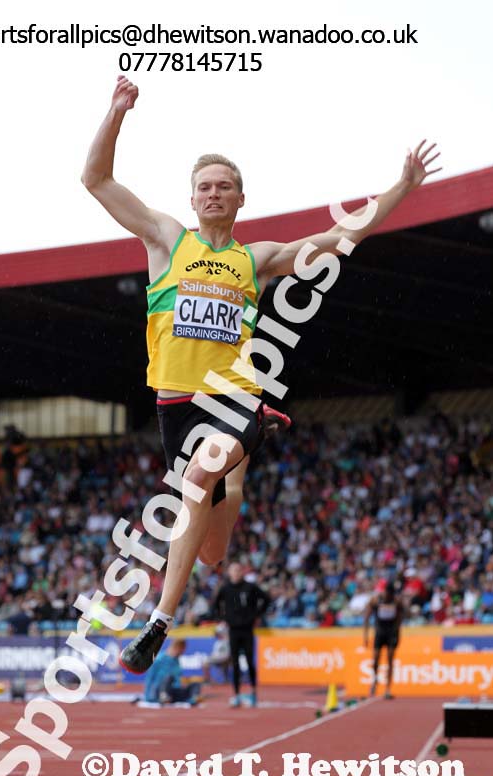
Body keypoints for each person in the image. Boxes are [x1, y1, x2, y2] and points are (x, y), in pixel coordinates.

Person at [82, 76, 441, 675]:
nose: (213, 194)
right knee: (216, 553)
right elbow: (96, 180)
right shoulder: (167, 240)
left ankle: (158, 624)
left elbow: (341, 236)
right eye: (204, 187)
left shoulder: (259, 259)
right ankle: (244, 463)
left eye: (224, 186)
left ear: (240, 199)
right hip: (176, 408)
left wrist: (402, 186)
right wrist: (116, 113)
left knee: (199, 476)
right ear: (192, 199)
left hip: (233, 401)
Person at [210, 562, 270, 706]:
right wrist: (223, 618)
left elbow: (266, 599)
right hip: (233, 630)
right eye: (234, 570)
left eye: (239, 570)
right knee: (235, 663)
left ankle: (254, 692)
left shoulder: (250, 587)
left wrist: (257, 615)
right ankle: (236, 694)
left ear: (242, 572)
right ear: (229, 573)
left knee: (250, 661)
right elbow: (215, 605)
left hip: (248, 629)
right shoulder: (225, 589)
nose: (236, 573)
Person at [363, 581, 405, 699]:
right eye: (388, 594)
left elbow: (399, 619)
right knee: (376, 659)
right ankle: (374, 681)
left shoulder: (396, 602)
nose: (389, 596)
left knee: (390, 660)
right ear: (384, 591)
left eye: (391, 594)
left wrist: (398, 634)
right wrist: (365, 636)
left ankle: (388, 688)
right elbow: (366, 617)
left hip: (391, 633)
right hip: (379, 633)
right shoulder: (376, 600)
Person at [142, 638, 201, 706]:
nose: (183, 652)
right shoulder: (159, 659)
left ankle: (194, 698)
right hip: (159, 690)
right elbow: (150, 677)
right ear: (177, 647)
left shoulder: (177, 661)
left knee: (195, 684)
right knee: (169, 677)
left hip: (173, 691)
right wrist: (148, 696)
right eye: (182, 650)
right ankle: (163, 696)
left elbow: (178, 678)